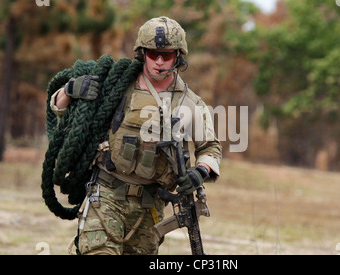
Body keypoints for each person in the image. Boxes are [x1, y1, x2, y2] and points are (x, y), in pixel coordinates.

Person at [49, 16, 222, 255]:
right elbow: (60, 109)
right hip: (106, 195)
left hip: (149, 208)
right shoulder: (117, 85)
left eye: (167, 55)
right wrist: (69, 90)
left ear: (178, 57)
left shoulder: (190, 104)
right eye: (153, 54)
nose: (159, 61)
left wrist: (200, 172)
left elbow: (211, 148)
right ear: (142, 53)